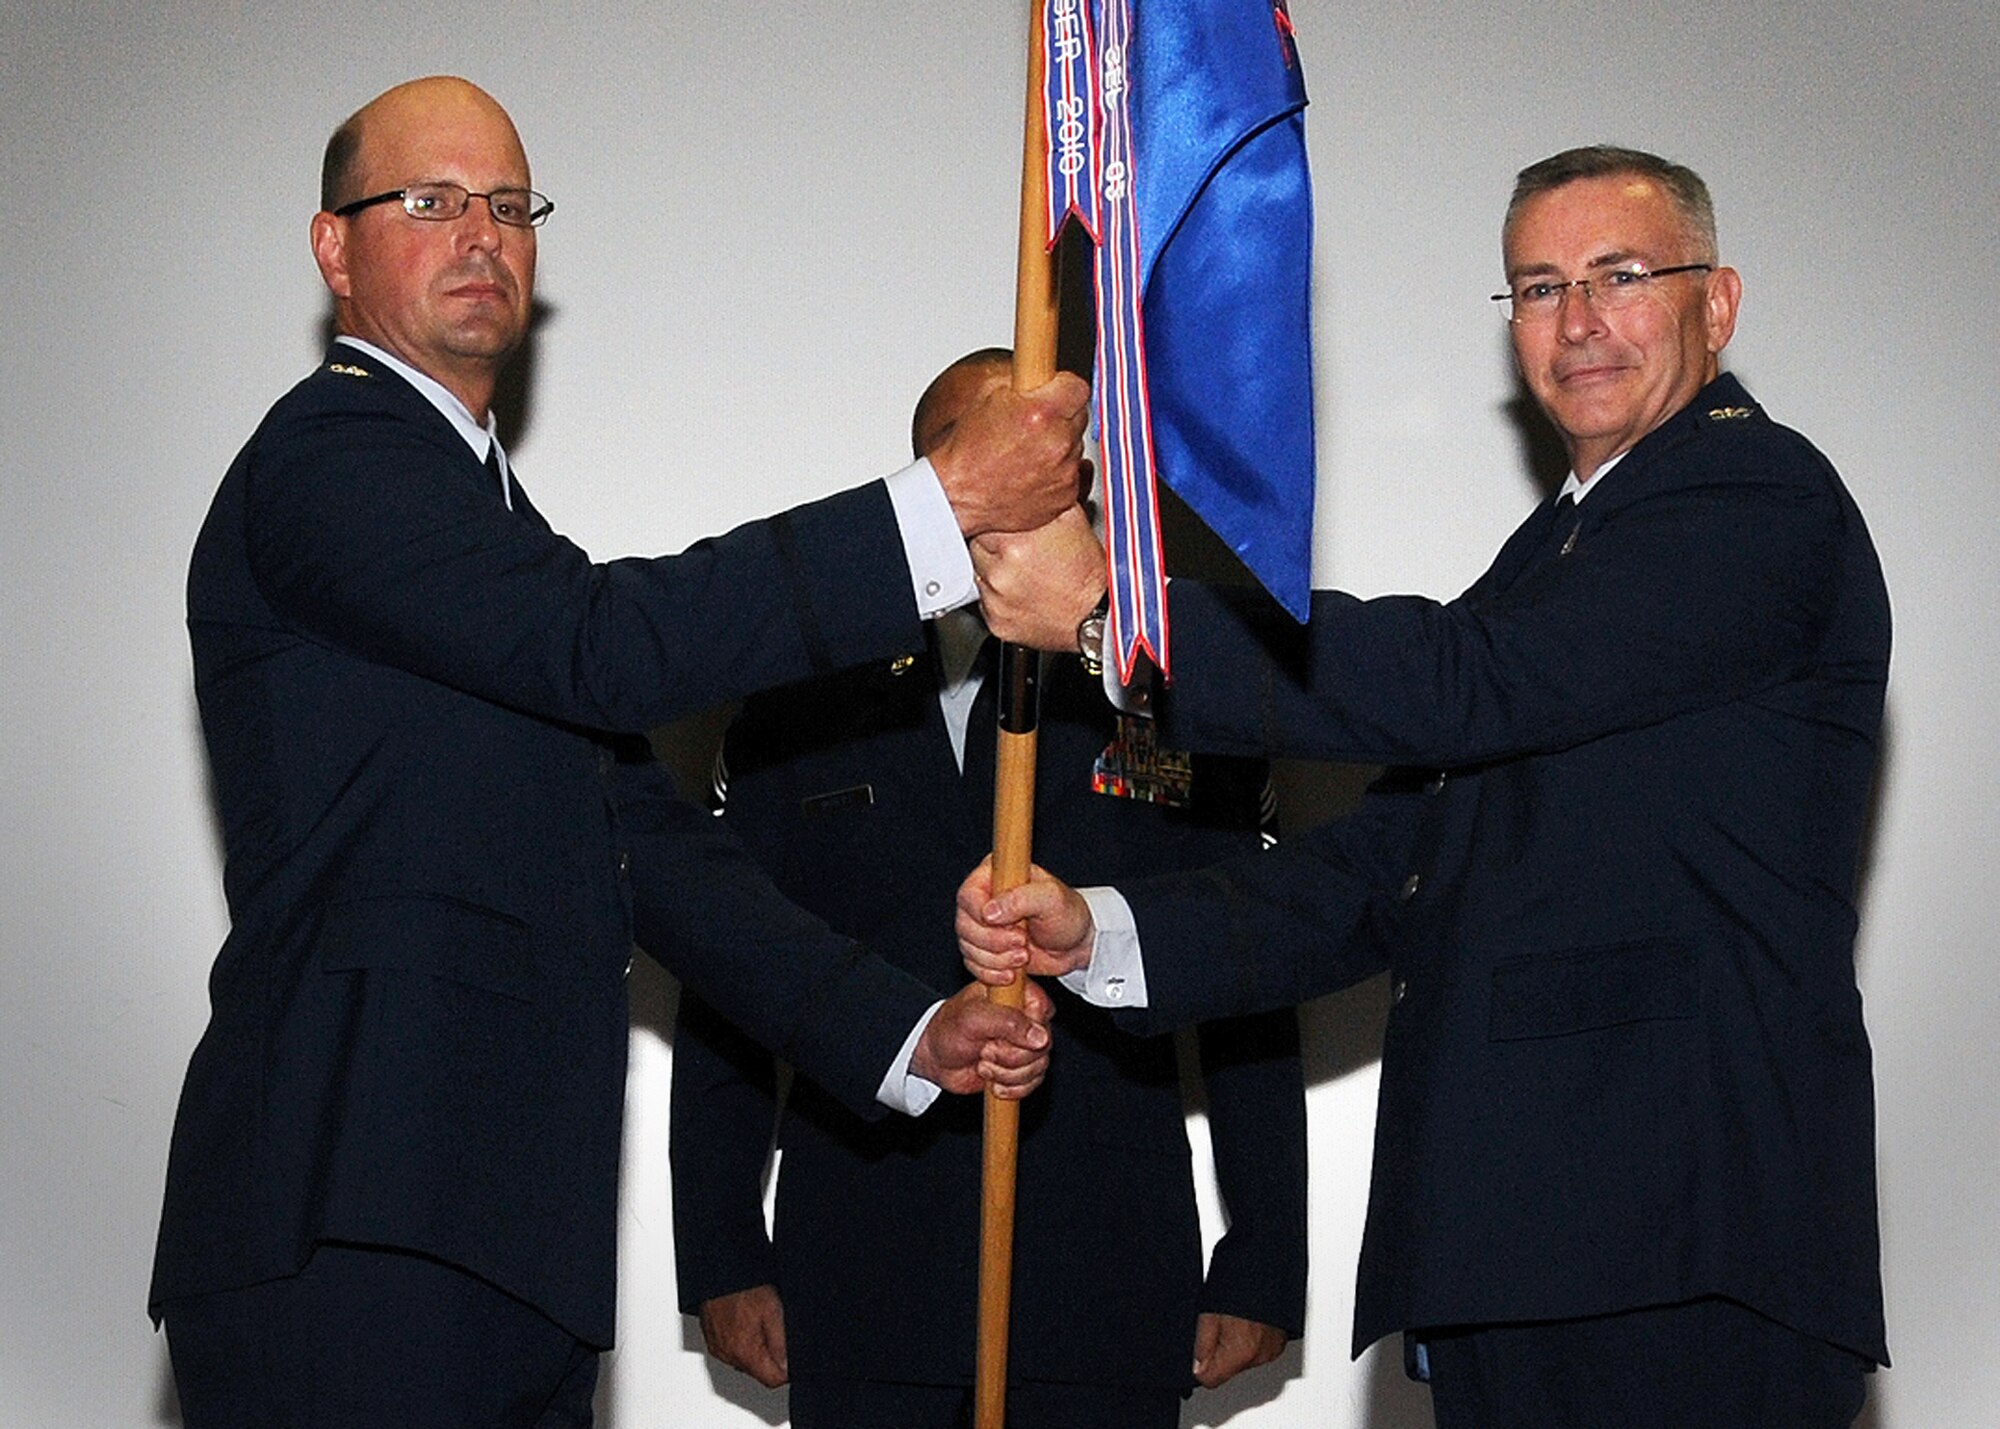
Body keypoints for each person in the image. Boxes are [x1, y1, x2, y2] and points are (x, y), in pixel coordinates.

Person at [151, 76, 1090, 1428]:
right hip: (351, 1213)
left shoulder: (488, 527)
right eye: (429, 202)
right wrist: (937, 510)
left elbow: (652, 845)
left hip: (503, 1238)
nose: (481, 234)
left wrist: (901, 1029)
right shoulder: (331, 457)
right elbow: (608, 645)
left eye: (509, 206)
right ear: (332, 247)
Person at [961, 146, 1890, 1428]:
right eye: (1536, 287)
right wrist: (1105, 929)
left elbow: (1465, 680)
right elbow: (1378, 870)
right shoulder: (1551, 552)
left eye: (1619, 277)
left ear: (1715, 302)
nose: (1576, 322)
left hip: (1680, 1226)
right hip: (1517, 1237)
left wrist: (1124, 615)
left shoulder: (1755, 494)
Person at [669, 350, 1307, 1429]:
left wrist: (1261, 1255)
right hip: (863, 1273)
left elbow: (1243, 974)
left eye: (1056, 461)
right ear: (933, 475)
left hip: (1102, 1277)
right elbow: (732, 973)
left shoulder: (1164, 690)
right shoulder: (802, 697)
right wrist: (722, 1247)